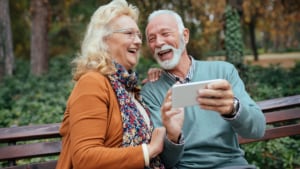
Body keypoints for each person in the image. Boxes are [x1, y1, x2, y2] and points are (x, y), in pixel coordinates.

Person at [141, 9, 266, 169]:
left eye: (165, 33)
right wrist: (172, 136)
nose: (158, 42)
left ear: (185, 36)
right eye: (152, 38)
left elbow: (257, 130)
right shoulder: (151, 91)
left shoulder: (223, 72)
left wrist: (232, 108)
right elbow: (166, 161)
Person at [55, 1, 166, 169]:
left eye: (138, 35)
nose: (137, 41)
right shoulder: (92, 83)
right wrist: (148, 151)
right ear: (104, 39)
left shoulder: (128, 89)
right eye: (129, 33)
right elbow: (85, 158)